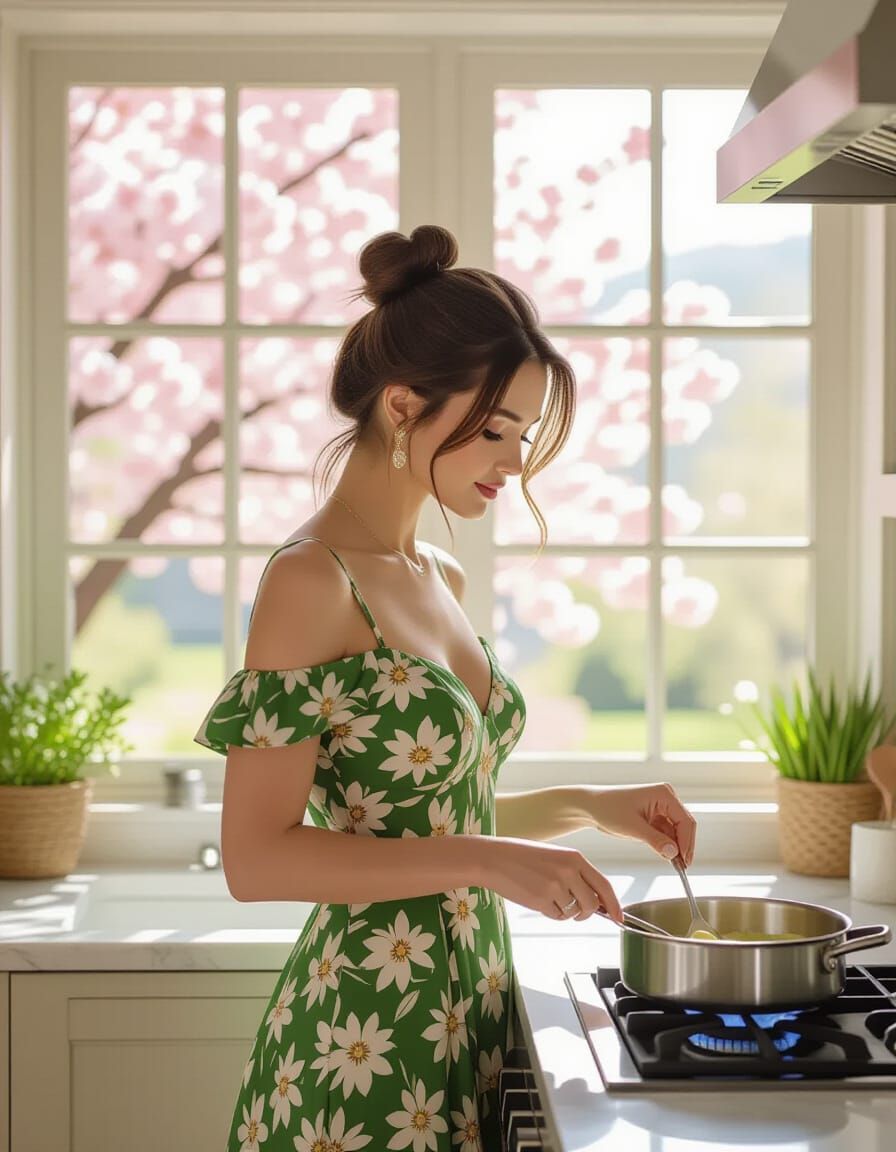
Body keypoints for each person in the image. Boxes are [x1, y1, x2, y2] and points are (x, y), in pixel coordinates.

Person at [194, 224, 697, 1152]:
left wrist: (589, 806)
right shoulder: (313, 581)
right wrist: (492, 860)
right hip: (363, 1046)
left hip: (467, 1016)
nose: (514, 461)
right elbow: (256, 859)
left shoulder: (438, 575)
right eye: (496, 429)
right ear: (401, 404)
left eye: (525, 433)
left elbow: (426, 814)